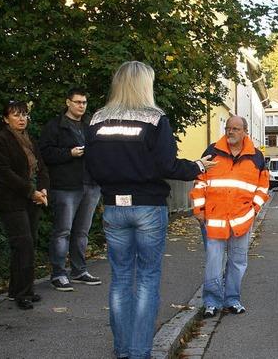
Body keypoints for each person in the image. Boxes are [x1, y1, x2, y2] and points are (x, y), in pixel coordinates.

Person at [85, 61, 216, 359]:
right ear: (145, 85)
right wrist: (197, 167)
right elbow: (166, 165)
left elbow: (90, 165)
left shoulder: (97, 120)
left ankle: (122, 351)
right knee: (146, 279)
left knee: (119, 279)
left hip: (114, 207)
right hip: (147, 207)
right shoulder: (155, 119)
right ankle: (140, 352)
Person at [190, 115, 270, 318]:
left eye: (236, 128)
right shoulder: (212, 152)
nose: (231, 132)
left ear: (245, 132)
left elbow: (262, 188)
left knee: (237, 261)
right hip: (214, 218)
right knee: (213, 262)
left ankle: (232, 300)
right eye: (228, 128)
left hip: (242, 219)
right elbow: (199, 182)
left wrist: (254, 210)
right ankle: (211, 302)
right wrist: (198, 210)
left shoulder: (256, 157)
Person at [0, 101, 49, 310]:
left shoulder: (30, 139)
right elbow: (3, 173)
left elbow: (41, 168)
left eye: (24, 115)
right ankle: (24, 293)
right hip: (10, 200)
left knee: (27, 244)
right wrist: (31, 191)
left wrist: (43, 190)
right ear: (6, 119)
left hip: (32, 199)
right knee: (24, 244)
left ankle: (17, 290)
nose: (22, 119)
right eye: (16, 115)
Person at [40, 87, 102, 292]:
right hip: (66, 185)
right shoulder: (55, 126)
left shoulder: (89, 126)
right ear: (68, 102)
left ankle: (79, 270)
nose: (81, 106)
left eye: (84, 102)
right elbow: (45, 154)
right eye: (77, 102)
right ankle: (58, 273)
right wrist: (69, 153)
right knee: (62, 231)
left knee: (82, 232)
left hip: (90, 184)